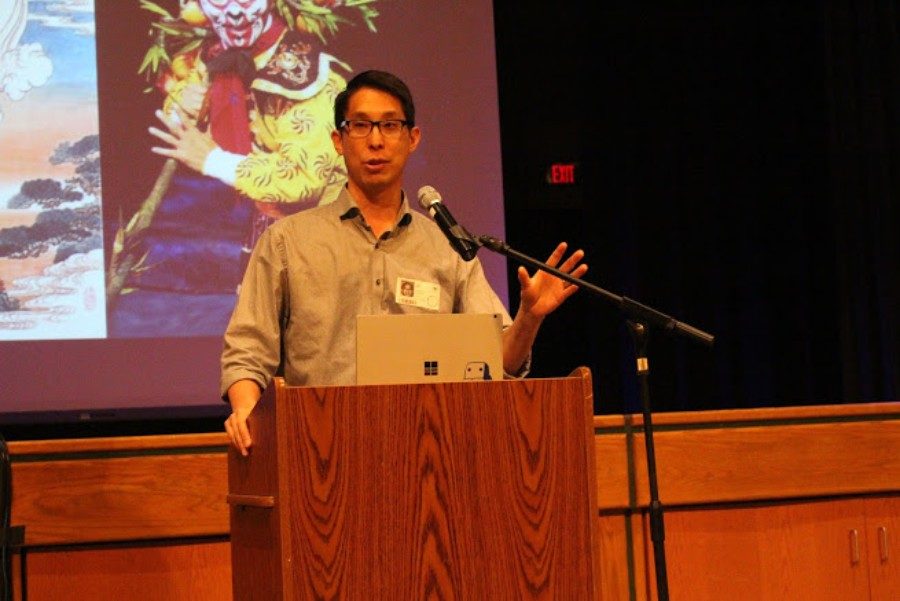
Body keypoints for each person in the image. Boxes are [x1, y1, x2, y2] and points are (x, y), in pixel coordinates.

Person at [221, 70, 588, 456]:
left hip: (429, 456)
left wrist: (529, 316)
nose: (376, 140)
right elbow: (248, 349)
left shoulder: (448, 247)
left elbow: (497, 362)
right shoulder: (287, 242)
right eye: (360, 126)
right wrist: (246, 408)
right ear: (338, 141)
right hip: (320, 454)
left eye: (390, 125)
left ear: (412, 138)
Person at [147, 0, 351, 261]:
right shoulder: (216, 52)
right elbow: (185, 101)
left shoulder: (307, 77)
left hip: (324, 236)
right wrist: (185, 104)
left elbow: (303, 178)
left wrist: (213, 161)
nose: (233, 12)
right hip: (266, 226)